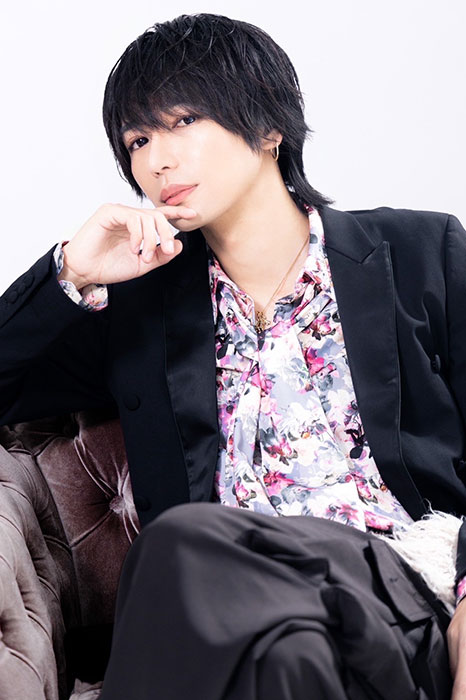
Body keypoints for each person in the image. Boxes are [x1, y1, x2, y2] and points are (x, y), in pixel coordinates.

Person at [1, 11, 466, 699]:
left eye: (184, 121)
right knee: (274, 643)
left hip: (400, 603)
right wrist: (71, 270)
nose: (156, 161)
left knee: (181, 541)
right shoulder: (139, 309)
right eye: (137, 140)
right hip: (247, 627)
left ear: (270, 126)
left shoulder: (423, 254)